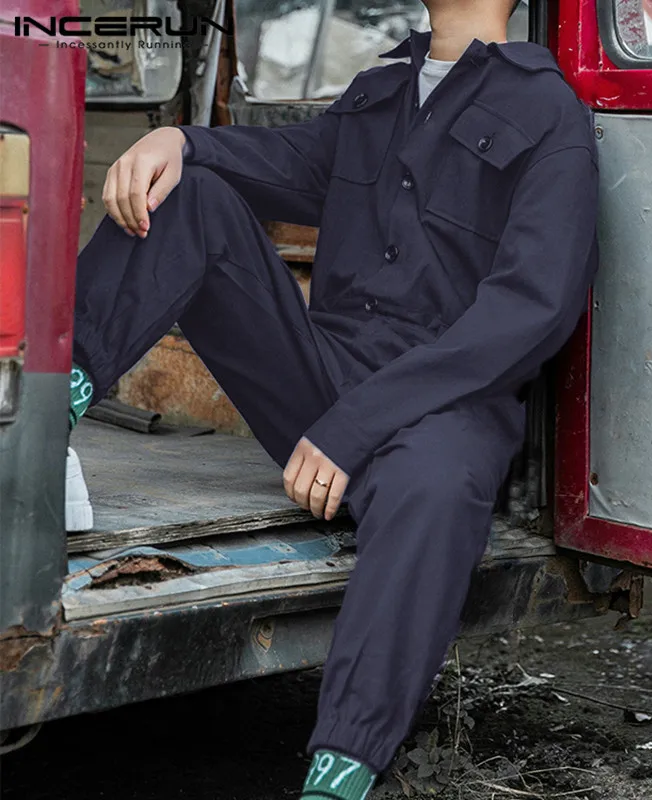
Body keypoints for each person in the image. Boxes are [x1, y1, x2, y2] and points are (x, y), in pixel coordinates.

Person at [67, 0, 599, 795]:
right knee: (189, 192)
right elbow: (287, 160)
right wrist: (178, 140)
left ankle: (341, 767)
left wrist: (356, 425)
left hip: (443, 408)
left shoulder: (550, 113)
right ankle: (41, 414)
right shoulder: (381, 89)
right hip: (322, 376)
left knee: (437, 488)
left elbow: (530, 311)